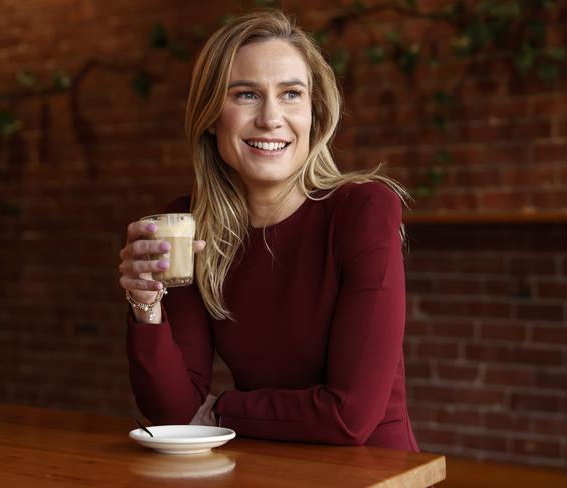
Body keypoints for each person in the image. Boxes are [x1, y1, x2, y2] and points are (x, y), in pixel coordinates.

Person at [118, 9, 418, 452]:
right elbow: (175, 414)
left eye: (291, 94)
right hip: (265, 469)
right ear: (210, 116)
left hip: (374, 474)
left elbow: (349, 416)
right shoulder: (189, 226)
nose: (271, 118)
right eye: (245, 95)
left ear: (314, 113)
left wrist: (223, 411)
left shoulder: (362, 210)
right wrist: (146, 306)